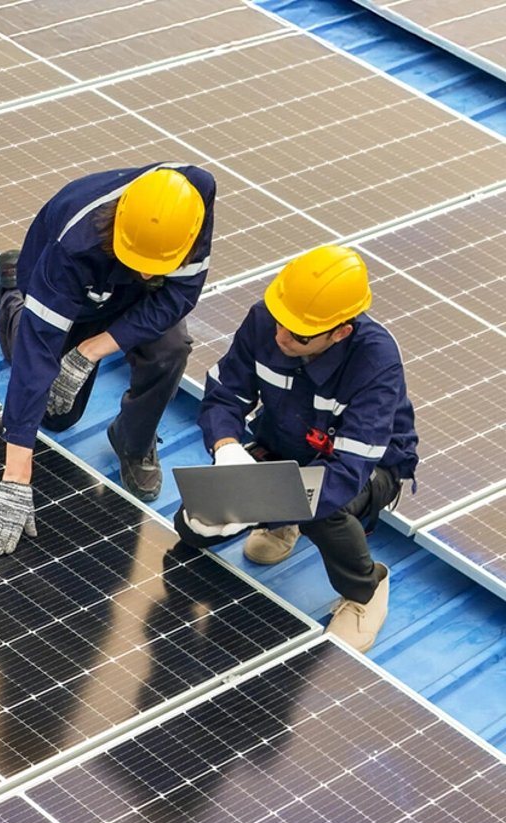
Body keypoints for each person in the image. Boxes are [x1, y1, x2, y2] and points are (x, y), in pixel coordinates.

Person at [174, 244, 417, 652]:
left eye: (298, 334)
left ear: (341, 331)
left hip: (363, 468)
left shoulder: (375, 362)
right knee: (192, 529)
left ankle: (366, 590)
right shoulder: (269, 319)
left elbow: (346, 472)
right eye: (280, 322)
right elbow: (225, 395)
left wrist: (263, 504)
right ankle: (284, 520)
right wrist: (227, 448)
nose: (280, 337)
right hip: (284, 444)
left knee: (324, 513)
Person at [0, 164, 216, 554]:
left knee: (171, 349)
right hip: (76, 291)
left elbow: (179, 295)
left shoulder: (190, 205)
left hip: (132, 298)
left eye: (153, 265)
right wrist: (16, 477)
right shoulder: (73, 248)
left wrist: (92, 350)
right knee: (55, 414)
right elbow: (36, 359)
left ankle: (133, 441)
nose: (143, 271)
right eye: (138, 259)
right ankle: (12, 293)